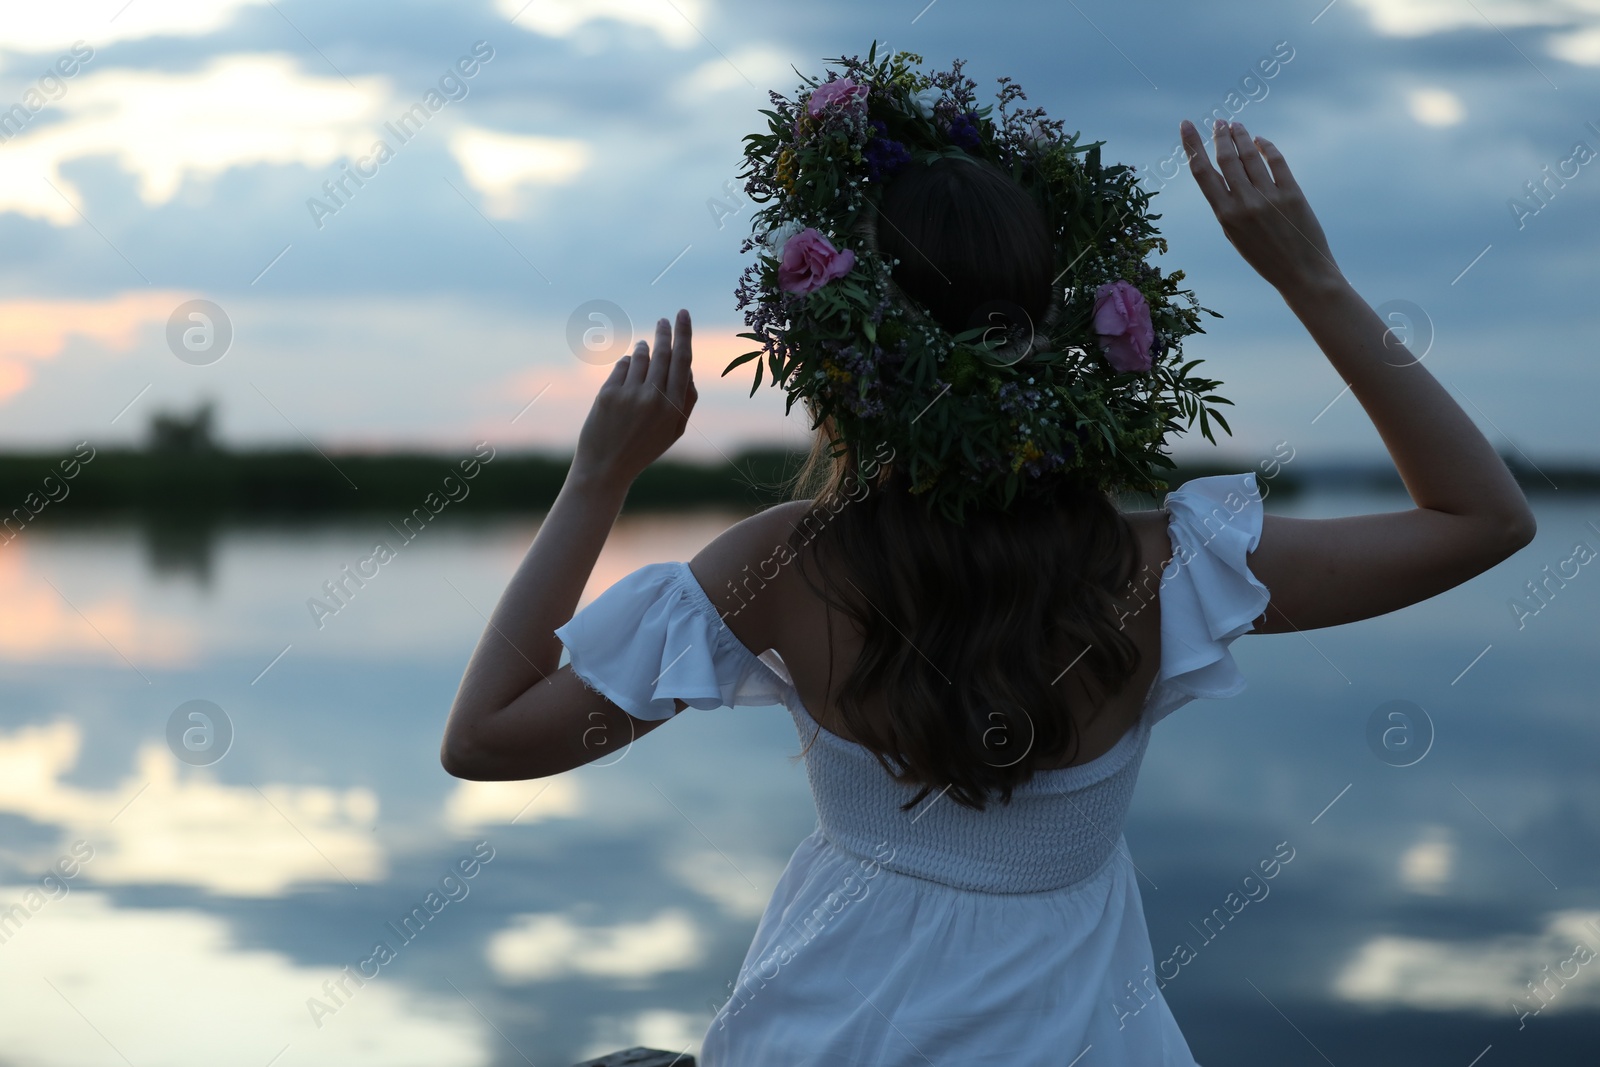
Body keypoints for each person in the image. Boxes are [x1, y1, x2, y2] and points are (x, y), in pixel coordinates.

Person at [439, 113, 1536, 1064]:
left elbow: (485, 737)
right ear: (1057, 336)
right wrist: (1311, 279)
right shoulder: (1162, 565)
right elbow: (1481, 517)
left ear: (841, 353)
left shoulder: (780, 565)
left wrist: (598, 478)